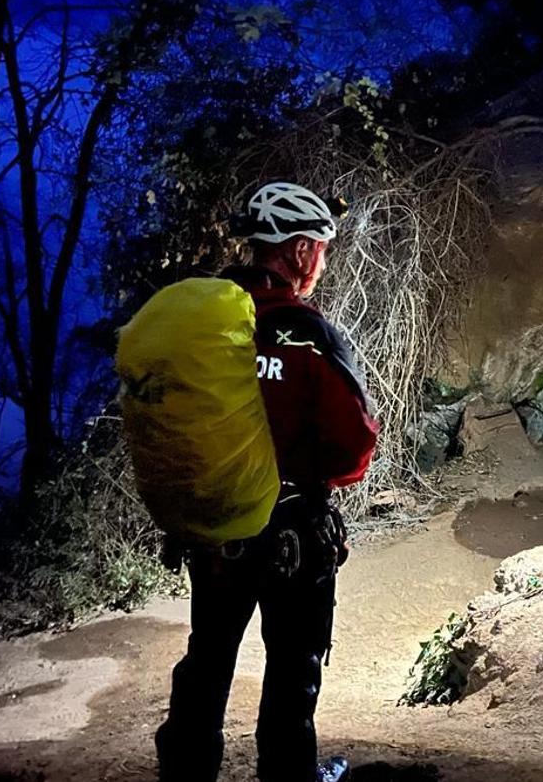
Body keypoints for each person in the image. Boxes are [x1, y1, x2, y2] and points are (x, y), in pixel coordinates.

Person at [156, 181, 379, 782]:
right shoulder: (307, 333)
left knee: (207, 660)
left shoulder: (207, 330)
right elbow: (354, 445)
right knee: (290, 673)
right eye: (322, 251)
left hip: (216, 531)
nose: (322, 265)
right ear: (303, 250)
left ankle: (184, 774)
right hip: (291, 535)